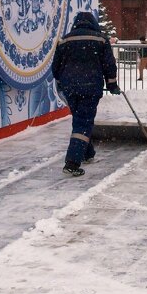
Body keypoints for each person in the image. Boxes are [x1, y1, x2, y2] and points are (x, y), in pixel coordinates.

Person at [51, 11, 119, 177]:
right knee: (83, 122)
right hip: (90, 86)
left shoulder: (64, 40)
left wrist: (62, 82)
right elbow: (109, 65)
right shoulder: (101, 40)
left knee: (80, 119)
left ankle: (88, 153)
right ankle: (72, 162)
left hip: (70, 88)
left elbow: (55, 67)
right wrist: (112, 84)